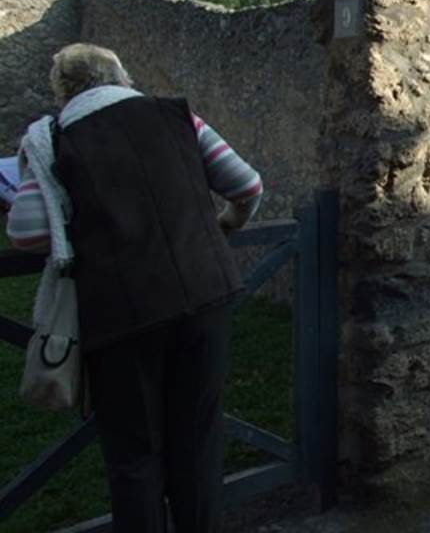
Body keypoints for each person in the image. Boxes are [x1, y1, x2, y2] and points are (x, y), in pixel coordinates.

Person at [6, 43, 263, 533]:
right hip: (204, 295)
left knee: (135, 458)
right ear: (122, 76)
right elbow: (248, 186)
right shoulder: (178, 117)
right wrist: (227, 223)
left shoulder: (55, 141)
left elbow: (27, 232)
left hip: (121, 314)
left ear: (63, 91)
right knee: (198, 446)